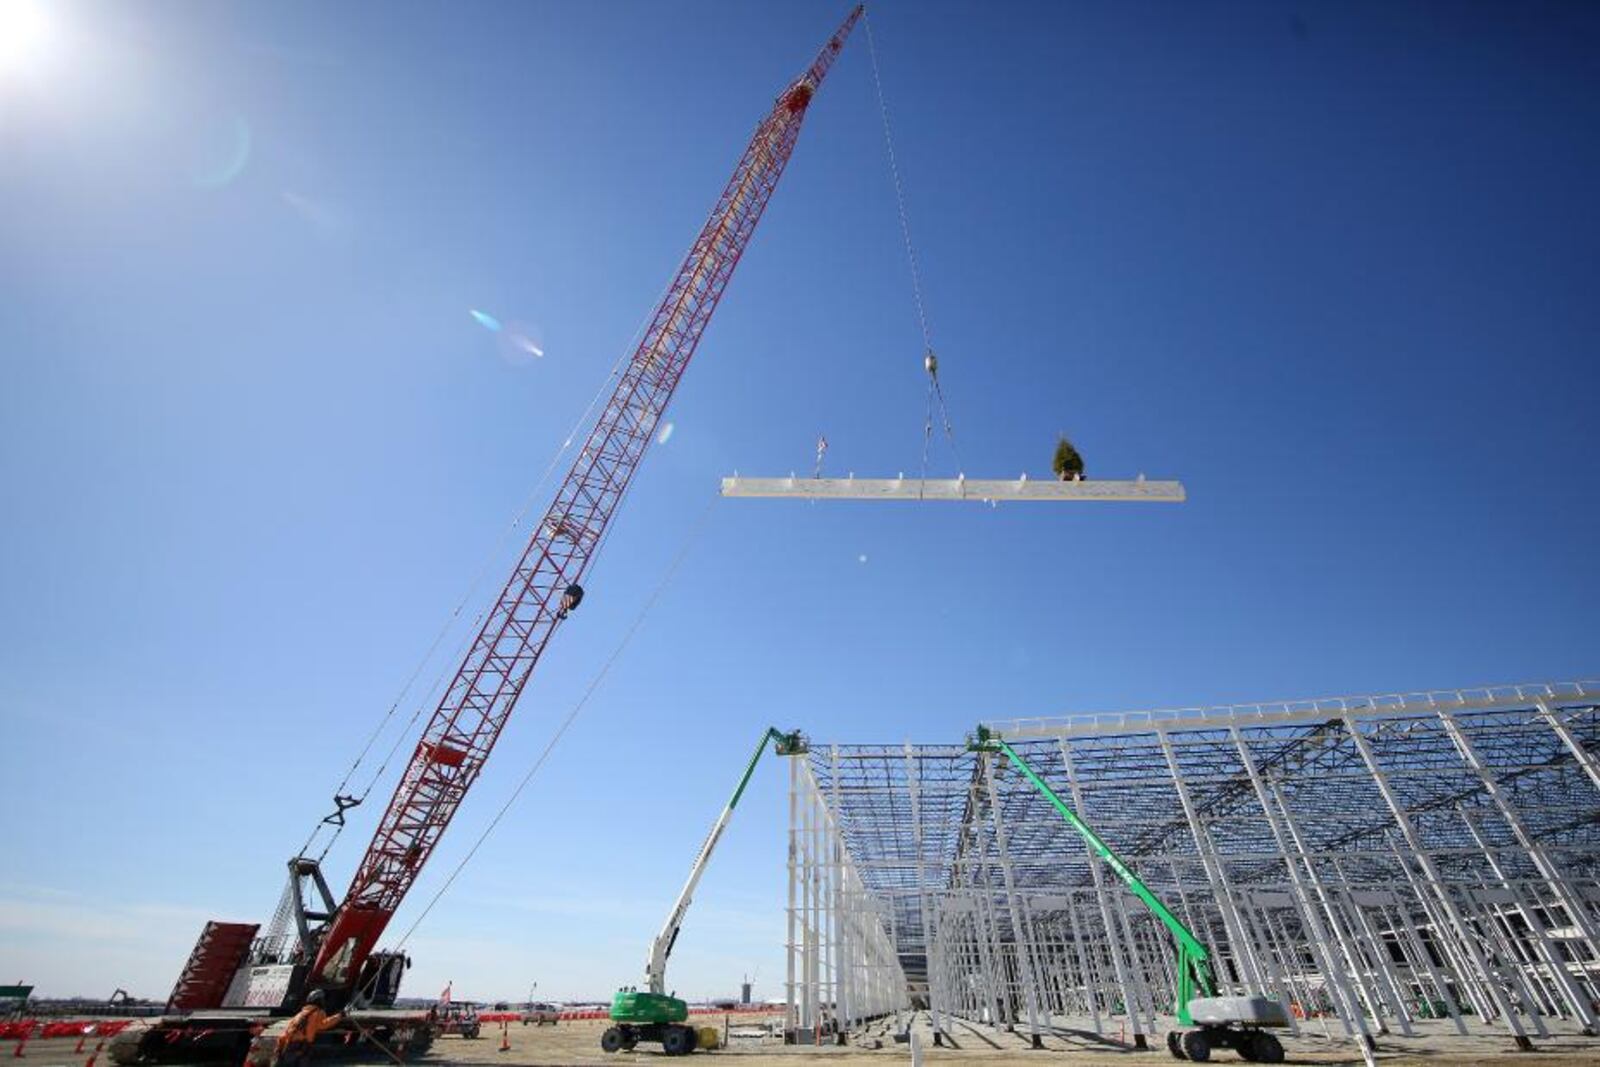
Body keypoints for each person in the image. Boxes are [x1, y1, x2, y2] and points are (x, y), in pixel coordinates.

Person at [276, 990, 344, 1066]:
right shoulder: (318, 1012)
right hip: (302, 1046)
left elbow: (285, 1034)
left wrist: (279, 1050)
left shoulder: (300, 1014)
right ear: (319, 1000)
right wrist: (339, 1015)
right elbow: (323, 1025)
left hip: (289, 1046)